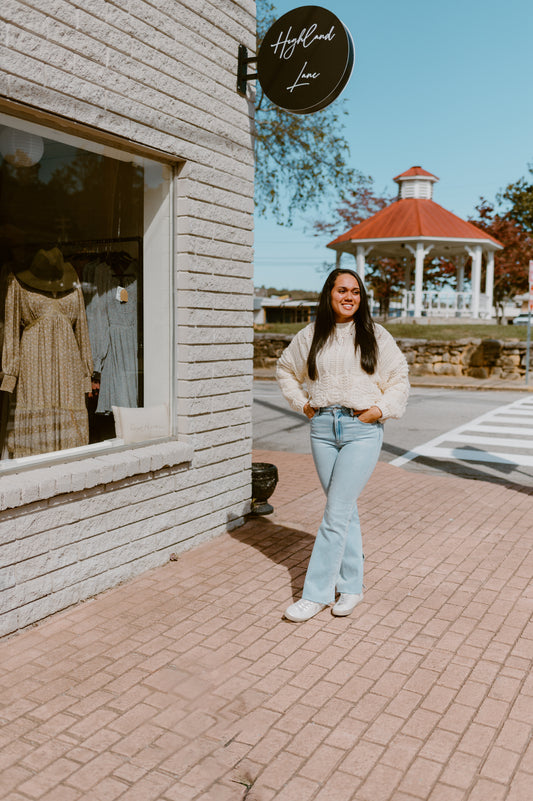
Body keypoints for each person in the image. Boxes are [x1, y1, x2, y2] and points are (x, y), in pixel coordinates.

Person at [276, 268, 409, 622]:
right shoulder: (311, 336)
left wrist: (379, 410)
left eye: (355, 292)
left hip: (361, 430)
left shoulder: (375, 335)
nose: (349, 297)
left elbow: (399, 377)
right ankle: (351, 587)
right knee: (343, 510)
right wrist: (302, 404)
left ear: (361, 298)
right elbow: (285, 370)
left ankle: (315, 594)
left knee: (335, 514)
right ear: (329, 294)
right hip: (322, 429)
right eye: (341, 291)